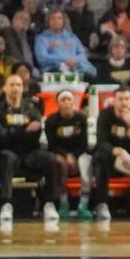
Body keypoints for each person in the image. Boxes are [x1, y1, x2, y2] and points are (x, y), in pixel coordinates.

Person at [0, 74, 59, 223]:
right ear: (4, 88)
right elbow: (1, 137)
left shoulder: (31, 108)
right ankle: (6, 204)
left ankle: (48, 203)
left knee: (50, 159)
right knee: (6, 157)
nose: (15, 88)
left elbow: (35, 134)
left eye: (18, 85)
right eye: (12, 85)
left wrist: (14, 132)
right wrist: (24, 131)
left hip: (30, 153)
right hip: (9, 153)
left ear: (23, 88)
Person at [92, 85, 130, 223]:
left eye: (127, 99)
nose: (124, 102)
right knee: (100, 157)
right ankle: (102, 204)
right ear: (114, 100)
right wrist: (119, 152)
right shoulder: (105, 115)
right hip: (112, 160)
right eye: (120, 99)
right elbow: (101, 143)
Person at [45, 89, 93, 220]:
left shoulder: (81, 118)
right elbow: (52, 144)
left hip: (79, 153)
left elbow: (84, 144)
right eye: (63, 100)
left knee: (86, 162)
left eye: (69, 100)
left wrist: (74, 155)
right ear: (58, 103)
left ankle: (84, 204)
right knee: (59, 163)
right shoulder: (51, 120)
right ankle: (63, 203)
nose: (66, 103)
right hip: (60, 153)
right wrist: (66, 155)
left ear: (74, 102)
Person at [35, 9, 97, 77]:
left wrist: (74, 60)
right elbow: (42, 58)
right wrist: (64, 59)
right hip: (53, 71)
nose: (56, 20)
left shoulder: (72, 37)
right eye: (53, 18)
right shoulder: (42, 38)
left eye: (59, 18)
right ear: (48, 21)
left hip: (75, 69)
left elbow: (83, 55)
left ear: (63, 21)